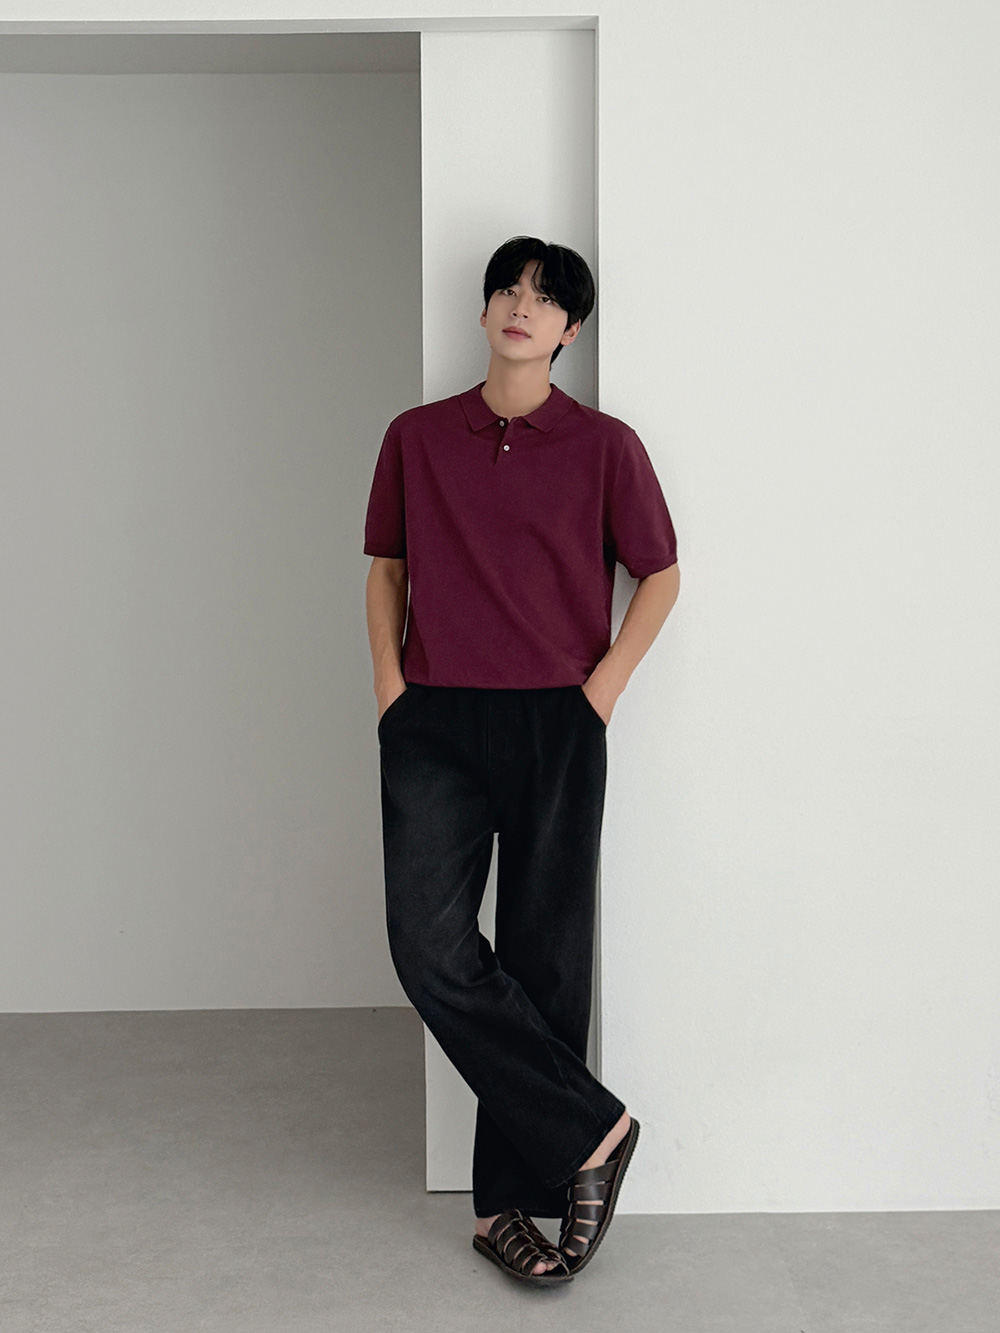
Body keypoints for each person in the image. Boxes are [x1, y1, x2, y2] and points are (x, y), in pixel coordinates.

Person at [363, 235, 680, 1284]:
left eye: (545, 299)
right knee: (429, 946)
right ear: (485, 309)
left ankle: (506, 1205)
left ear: (569, 330)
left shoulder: (605, 446)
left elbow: (661, 575)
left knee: (544, 962)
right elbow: (386, 568)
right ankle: (595, 1130)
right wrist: (392, 692)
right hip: (435, 722)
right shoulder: (416, 436)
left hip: (557, 720)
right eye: (507, 288)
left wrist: (600, 693)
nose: (520, 306)